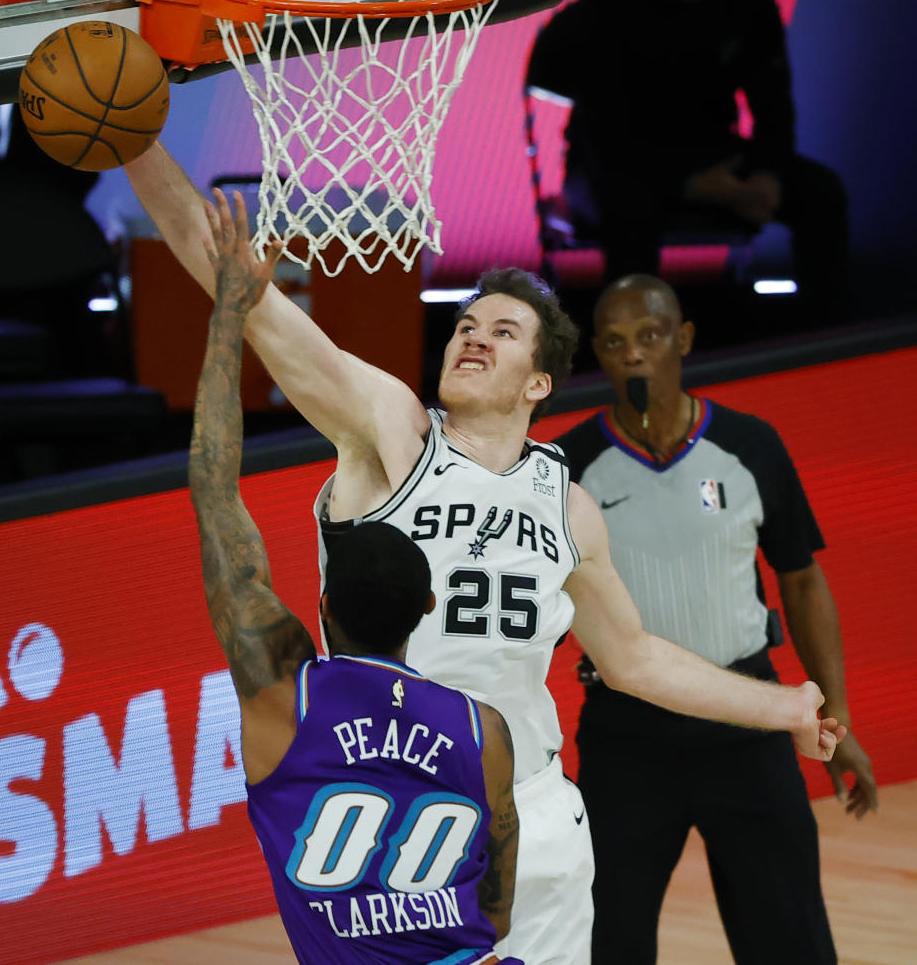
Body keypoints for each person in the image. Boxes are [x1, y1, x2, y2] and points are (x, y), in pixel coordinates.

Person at [127, 141, 845, 965]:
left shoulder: (567, 502)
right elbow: (246, 295)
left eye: (503, 333)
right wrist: (134, 147)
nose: (473, 337)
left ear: (539, 382)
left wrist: (784, 707)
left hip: (533, 813)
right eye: (466, 325)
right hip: (401, 810)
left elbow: (635, 660)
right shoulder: (390, 429)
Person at [187, 205, 523, 964]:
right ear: (426, 609)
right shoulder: (485, 732)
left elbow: (215, 497)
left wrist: (228, 315)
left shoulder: (283, 698)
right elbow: (497, 912)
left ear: (326, 606)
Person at [556, 273, 878, 965]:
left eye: (649, 336)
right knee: (605, 938)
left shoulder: (750, 445)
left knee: (789, 938)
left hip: (747, 723)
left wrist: (838, 717)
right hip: (625, 738)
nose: (633, 355)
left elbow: (802, 580)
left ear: (685, 339)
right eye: (613, 344)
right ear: (599, 357)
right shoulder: (568, 466)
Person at [526, 0, 851, 323]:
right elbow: (607, 135)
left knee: (821, 191)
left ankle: (829, 344)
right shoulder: (612, 9)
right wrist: (693, 184)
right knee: (631, 203)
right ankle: (631, 348)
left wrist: (765, 177)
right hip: (618, 163)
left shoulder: (751, 1)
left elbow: (774, 107)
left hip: (715, 155)